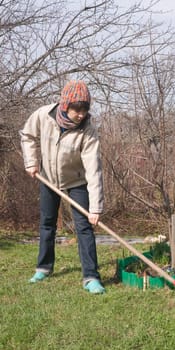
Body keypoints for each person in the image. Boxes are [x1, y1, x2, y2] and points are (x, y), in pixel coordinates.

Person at [20, 80, 105, 294]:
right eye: (77, 109)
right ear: (65, 105)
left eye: (85, 109)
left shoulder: (88, 131)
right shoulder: (43, 115)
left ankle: (91, 277)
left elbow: (94, 170)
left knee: (84, 226)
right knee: (47, 223)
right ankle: (43, 268)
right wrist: (31, 162)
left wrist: (95, 208)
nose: (81, 114)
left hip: (77, 181)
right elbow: (27, 135)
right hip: (48, 178)